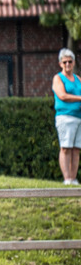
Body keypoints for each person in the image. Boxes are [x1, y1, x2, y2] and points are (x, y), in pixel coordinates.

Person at [52, 48, 81, 185]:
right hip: (65, 117)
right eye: (65, 62)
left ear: (74, 62)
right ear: (60, 64)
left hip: (78, 117)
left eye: (70, 62)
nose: (68, 64)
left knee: (76, 149)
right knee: (65, 147)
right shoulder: (58, 78)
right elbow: (62, 95)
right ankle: (67, 178)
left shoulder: (78, 79)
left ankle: (73, 179)